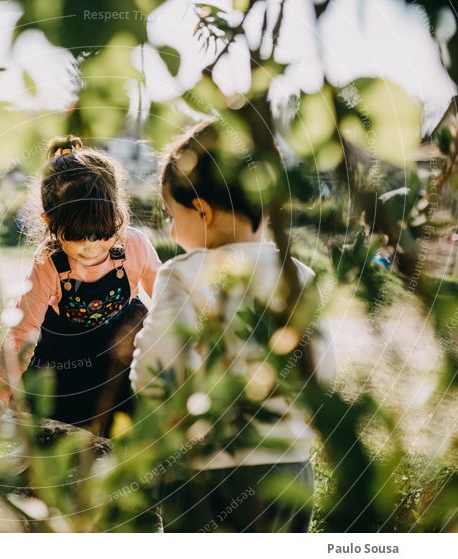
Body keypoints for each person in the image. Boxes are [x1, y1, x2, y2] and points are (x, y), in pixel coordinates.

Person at [129, 120, 336, 532]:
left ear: (202, 212)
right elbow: (323, 375)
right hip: (289, 469)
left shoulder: (184, 274)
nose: (171, 229)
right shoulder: (299, 276)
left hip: (209, 472)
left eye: (172, 215)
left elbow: (152, 367)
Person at [0, 136, 161, 437]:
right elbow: (22, 333)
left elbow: (167, 300)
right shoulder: (48, 264)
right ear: (50, 222)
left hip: (118, 345)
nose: (91, 246)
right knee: (59, 423)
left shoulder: (135, 246)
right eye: (78, 236)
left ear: (118, 216)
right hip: (66, 354)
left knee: (125, 415)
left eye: (103, 232)